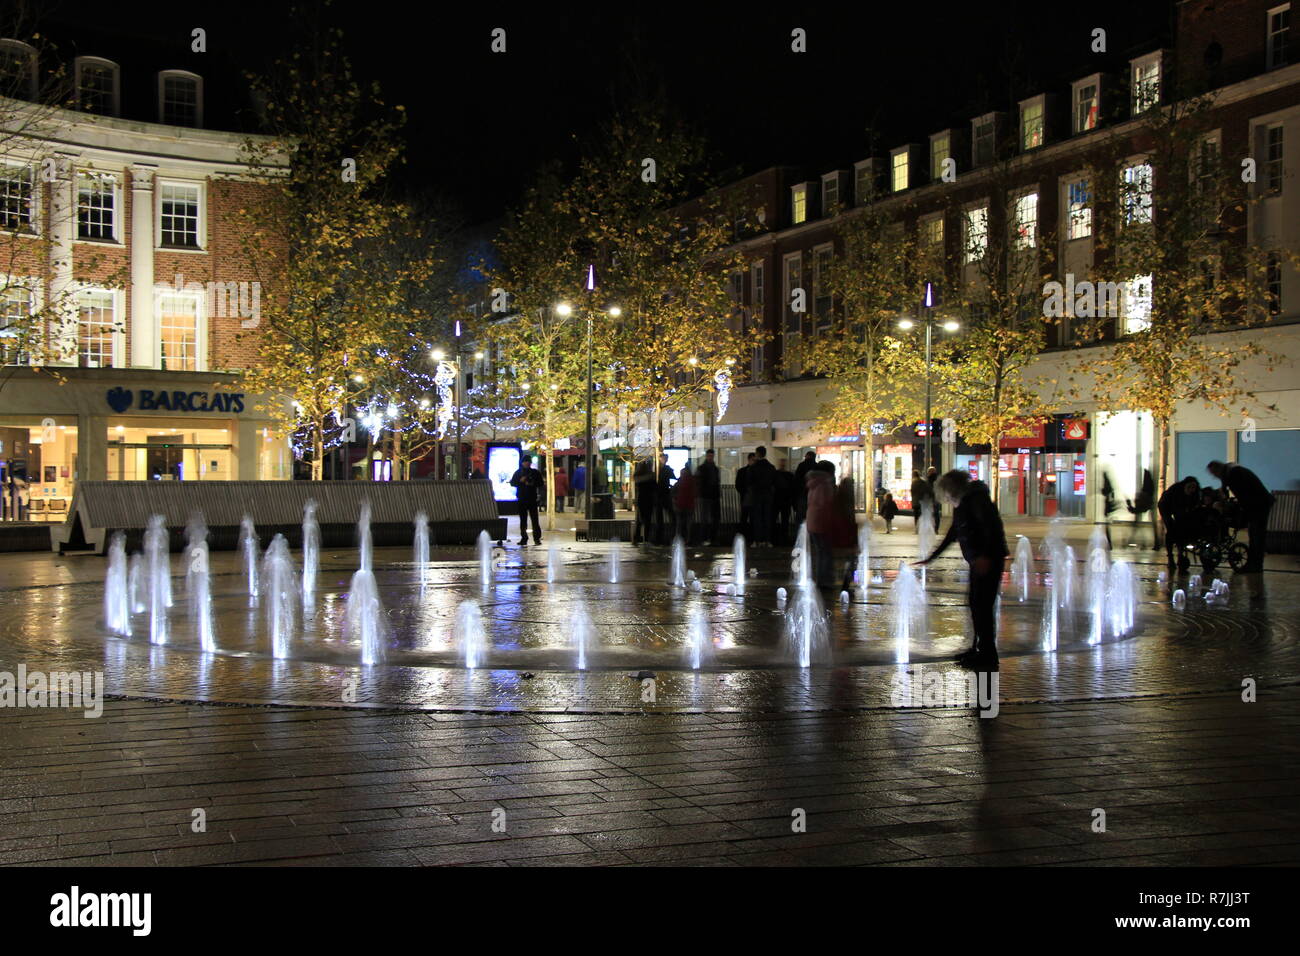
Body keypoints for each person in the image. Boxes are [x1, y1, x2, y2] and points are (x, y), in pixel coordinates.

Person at [917, 470, 1009, 671]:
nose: (946, 498)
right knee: (975, 605)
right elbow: (953, 533)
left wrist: (985, 555)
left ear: (952, 489)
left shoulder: (976, 500)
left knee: (982, 607)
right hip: (978, 561)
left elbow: (991, 528)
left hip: (988, 561)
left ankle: (988, 655)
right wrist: (931, 557)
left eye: (946, 493)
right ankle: (978, 649)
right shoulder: (963, 503)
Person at [1208, 460, 1276, 572]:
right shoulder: (1230, 471)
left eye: (1214, 473)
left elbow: (1243, 493)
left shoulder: (1234, 473)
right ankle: (1254, 564)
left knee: (1257, 535)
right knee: (1254, 534)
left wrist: (1233, 505)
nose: (1214, 476)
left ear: (1218, 469)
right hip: (1258, 503)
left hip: (1259, 504)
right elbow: (1227, 489)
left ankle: (1256, 565)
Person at [805, 460, 837, 586]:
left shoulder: (813, 483)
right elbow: (826, 505)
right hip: (822, 521)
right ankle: (825, 580)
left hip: (812, 521)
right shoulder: (825, 484)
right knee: (826, 552)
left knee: (821, 552)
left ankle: (821, 579)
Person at [1158, 476, 1200, 570]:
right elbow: (1177, 511)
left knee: (1181, 530)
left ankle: (1180, 554)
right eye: (1189, 487)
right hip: (1165, 506)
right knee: (1171, 530)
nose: (1191, 490)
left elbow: (1193, 507)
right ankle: (1170, 557)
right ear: (1185, 486)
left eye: (1193, 487)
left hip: (1179, 509)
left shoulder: (1195, 494)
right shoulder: (1176, 491)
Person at [509, 454, 545, 546]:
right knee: (523, 520)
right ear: (522, 463)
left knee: (535, 520)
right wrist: (520, 481)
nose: (527, 463)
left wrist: (532, 483)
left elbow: (541, 483)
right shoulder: (518, 473)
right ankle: (524, 538)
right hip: (522, 498)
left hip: (532, 498)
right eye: (525, 461)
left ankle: (536, 538)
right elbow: (512, 483)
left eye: (528, 461)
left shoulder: (535, 472)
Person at [748, 446, 777, 547]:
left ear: (757, 454)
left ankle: (757, 540)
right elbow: (774, 481)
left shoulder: (753, 467)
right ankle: (767, 540)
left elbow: (749, 481)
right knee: (767, 518)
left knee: (757, 518)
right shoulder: (771, 467)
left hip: (756, 495)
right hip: (768, 495)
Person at [696, 449, 721, 545]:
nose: (710, 458)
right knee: (709, 518)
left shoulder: (703, 468)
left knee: (709, 518)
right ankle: (709, 538)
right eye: (710, 456)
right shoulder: (714, 469)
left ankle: (707, 538)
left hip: (708, 495)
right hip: (709, 495)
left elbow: (699, 481)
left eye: (711, 456)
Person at [632, 458, 656, 545]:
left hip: (641, 499)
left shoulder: (638, 477)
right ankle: (646, 538)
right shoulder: (651, 476)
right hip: (649, 499)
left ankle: (636, 538)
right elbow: (654, 488)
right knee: (647, 520)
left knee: (639, 520)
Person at [773, 458, 796, 545]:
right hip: (786, 500)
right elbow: (792, 488)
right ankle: (784, 537)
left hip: (776, 500)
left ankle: (775, 537)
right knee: (785, 520)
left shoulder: (775, 474)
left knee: (774, 519)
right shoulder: (790, 475)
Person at [655, 453, 676, 545]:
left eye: (665, 458)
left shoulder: (662, 469)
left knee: (661, 517)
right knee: (665, 516)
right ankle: (663, 537)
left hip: (662, 494)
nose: (665, 460)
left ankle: (661, 538)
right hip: (663, 494)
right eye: (663, 458)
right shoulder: (665, 469)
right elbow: (673, 479)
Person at [673, 463, 697, 545]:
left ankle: (678, 539)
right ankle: (688, 539)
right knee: (689, 523)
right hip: (690, 504)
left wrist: (675, 499)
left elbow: (674, 490)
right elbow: (695, 491)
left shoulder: (680, 480)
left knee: (679, 523)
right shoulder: (692, 480)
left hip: (680, 504)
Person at [735, 453, 755, 541]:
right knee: (745, 518)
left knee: (747, 518)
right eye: (753, 460)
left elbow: (738, 485)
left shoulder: (743, 471)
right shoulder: (742, 471)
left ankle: (746, 537)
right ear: (749, 460)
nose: (754, 462)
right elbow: (738, 485)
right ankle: (747, 537)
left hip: (747, 498)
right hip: (747, 498)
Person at [793, 451, 816, 526]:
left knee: (800, 515)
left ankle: (800, 530)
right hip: (813, 495)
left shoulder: (801, 465)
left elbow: (796, 480)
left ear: (807, 456)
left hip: (802, 493)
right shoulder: (817, 466)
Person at [926, 466, 940, 532]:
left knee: (930, 514)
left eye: (928, 472)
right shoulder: (938, 480)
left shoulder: (929, 480)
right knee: (936, 514)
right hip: (936, 499)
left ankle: (931, 528)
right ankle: (936, 529)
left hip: (930, 499)